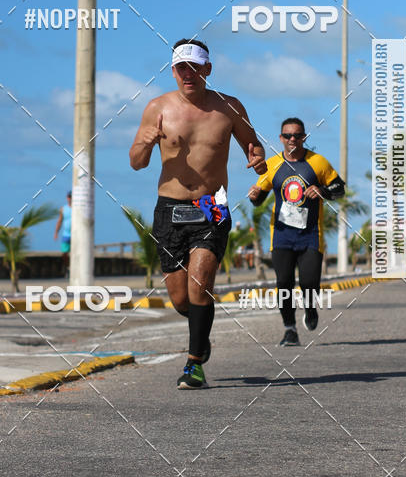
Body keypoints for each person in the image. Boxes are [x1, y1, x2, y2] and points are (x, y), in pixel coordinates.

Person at [129, 38, 267, 389]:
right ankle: (200, 332)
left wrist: (256, 158)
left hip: (211, 206)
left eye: (195, 67)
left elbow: (252, 144)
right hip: (170, 208)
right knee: (180, 299)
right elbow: (136, 163)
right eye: (181, 68)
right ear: (173, 71)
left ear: (208, 69)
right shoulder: (157, 107)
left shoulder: (229, 107)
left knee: (200, 284)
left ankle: (193, 365)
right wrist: (145, 142)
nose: (188, 74)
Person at [248, 117, 344, 346]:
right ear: (281, 138)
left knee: (309, 283)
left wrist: (321, 190)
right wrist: (254, 196)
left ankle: (310, 309)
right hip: (281, 236)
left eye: (297, 135)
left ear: (304, 137)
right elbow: (259, 199)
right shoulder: (272, 165)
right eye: (288, 135)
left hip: (310, 235)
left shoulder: (317, 162)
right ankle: (289, 329)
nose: (292, 139)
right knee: (284, 284)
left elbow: (339, 189)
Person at [54, 191, 72, 274]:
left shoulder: (77, 208)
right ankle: (68, 267)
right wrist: (56, 232)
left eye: (71, 197)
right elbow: (60, 221)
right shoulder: (63, 209)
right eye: (69, 197)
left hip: (76, 235)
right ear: (67, 198)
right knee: (64, 253)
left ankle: (74, 268)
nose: (70, 198)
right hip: (66, 234)